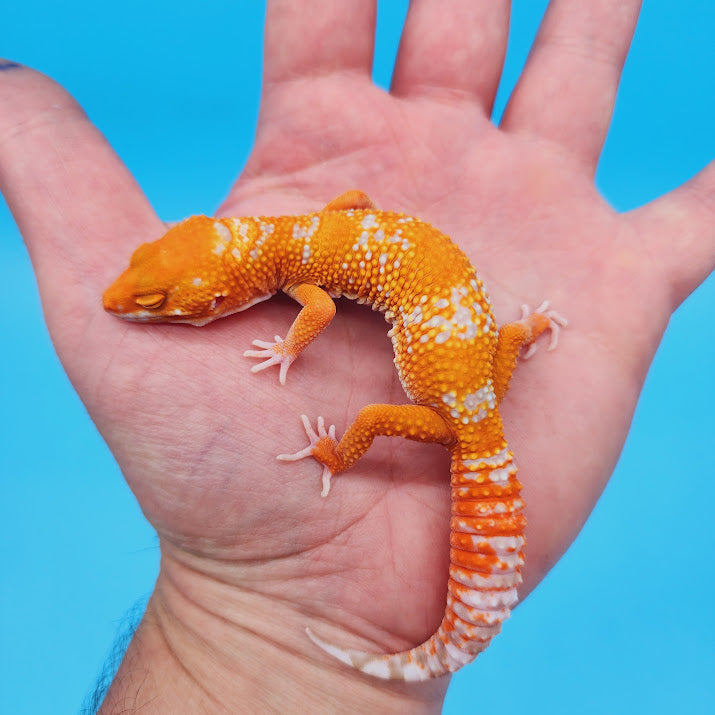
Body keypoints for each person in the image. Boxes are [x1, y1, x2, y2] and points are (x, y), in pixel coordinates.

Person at [1, 1, 712, 712]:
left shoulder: (297, 277)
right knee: (479, 356)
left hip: (454, 412)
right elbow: (352, 201)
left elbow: (318, 310)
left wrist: (292, 356)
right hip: (477, 359)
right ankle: (524, 334)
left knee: (374, 414)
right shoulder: (306, 231)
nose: (136, 304)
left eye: (158, 302)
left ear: (221, 294)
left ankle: (341, 457)